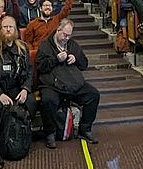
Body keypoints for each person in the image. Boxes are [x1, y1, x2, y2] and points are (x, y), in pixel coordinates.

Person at [36, 18, 100, 147]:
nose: (66, 38)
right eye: (64, 35)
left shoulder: (73, 45)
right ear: (58, 30)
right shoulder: (45, 45)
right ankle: (50, 133)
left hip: (72, 83)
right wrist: (55, 59)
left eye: (69, 35)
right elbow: (40, 67)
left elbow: (84, 64)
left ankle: (85, 129)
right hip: (52, 84)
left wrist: (76, 58)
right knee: (48, 100)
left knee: (93, 95)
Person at [0, 13, 37, 139]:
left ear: (15, 30)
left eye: (11, 27)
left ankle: (21, 135)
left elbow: (29, 71)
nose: (8, 29)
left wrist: (25, 89)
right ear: (0, 30)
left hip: (16, 88)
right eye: (5, 27)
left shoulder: (22, 48)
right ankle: (0, 138)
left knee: (31, 101)